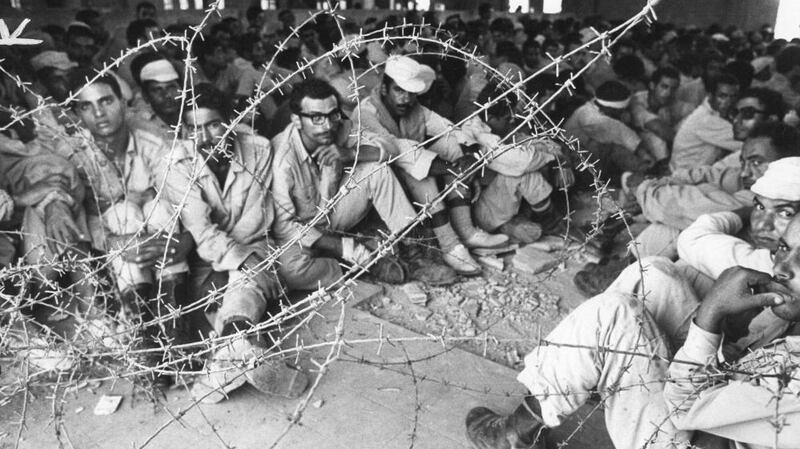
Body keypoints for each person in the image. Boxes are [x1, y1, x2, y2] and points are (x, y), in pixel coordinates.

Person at [464, 169, 800, 448]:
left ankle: (519, 430)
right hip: (705, 414)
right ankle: (578, 384)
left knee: (614, 314)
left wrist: (709, 318)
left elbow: (688, 407)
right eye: (785, 247)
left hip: (691, 427)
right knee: (655, 274)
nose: (782, 267)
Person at [155, 83, 309, 403]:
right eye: (195, 129)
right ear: (184, 131)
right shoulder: (176, 163)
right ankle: (236, 349)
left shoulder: (259, 149)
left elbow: (258, 218)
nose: (208, 137)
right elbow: (200, 230)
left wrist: (241, 259)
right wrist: (237, 257)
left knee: (246, 279)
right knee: (232, 289)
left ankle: (229, 352)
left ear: (229, 121)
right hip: (204, 254)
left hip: (254, 242)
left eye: (214, 124)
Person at [38, 71, 193, 386]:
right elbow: (79, 217)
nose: (98, 113)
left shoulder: (154, 141)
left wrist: (185, 240)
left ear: (124, 103)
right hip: (116, 249)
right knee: (122, 211)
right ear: (77, 114)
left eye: (106, 101)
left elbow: (186, 200)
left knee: (158, 207)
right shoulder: (73, 155)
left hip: (164, 236)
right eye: (86, 106)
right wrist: (117, 243)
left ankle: (172, 321)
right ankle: (144, 328)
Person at [271, 78, 456, 289]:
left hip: (333, 214)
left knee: (376, 170)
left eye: (333, 115)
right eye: (316, 118)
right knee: (291, 272)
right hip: (303, 232)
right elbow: (284, 227)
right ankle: (359, 263)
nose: (328, 125)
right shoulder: (282, 159)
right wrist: (343, 247)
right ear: (296, 120)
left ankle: (412, 253)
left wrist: (351, 153)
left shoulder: (340, 127)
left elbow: (389, 147)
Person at [359, 55, 510, 276]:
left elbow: (449, 128)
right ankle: (450, 246)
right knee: (421, 171)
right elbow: (397, 150)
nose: (406, 99)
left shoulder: (415, 108)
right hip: (382, 183)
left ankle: (466, 231)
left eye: (411, 93)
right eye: (399, 91)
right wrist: (451, 168)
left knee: (450, 143)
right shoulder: (366, 113)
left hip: (413, 168)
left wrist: (469, 154)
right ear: (384, 89)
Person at [461, 83, 574, 243]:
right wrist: (555, 158)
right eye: (508, 119)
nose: (511, 122)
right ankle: (553, 224)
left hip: (499, 202)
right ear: (491, 118)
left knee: (532, 154)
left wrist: (560, 159)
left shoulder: (495, 124)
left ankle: (535, 220)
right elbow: (524, 161)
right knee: (524, 173)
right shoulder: (478, 133)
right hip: (483, 212)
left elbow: (540, 143)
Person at [563, 80, 659, 184]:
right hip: (576, 165)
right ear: (612, 109)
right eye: (622, 109)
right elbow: (625, 135)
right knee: (614, 149)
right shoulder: (598, 120)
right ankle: (645, 172)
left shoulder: (590, 106)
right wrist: (645, 156)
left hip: (582, 156)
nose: (624, 111)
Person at [670, 73, 741, 171]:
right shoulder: (705, 119)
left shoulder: (715, 112)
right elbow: (743, 143)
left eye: (733, 97)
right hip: (685, 178)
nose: (729, 102)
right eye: (722, 96)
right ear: (710, 95)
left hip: (695, 173)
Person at [627, 67, 694, 161]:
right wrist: (690, 147)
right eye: (664, 87)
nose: (668, 93)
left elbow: (694, 112)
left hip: (671, 140)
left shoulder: (672, 101)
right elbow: (658, 128)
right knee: (656, 140)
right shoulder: (637, 101)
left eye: (673, 89)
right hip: (637, 144)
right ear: (652, 86)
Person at [128, 52, 181, 140]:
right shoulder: (143, 127)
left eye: (171, 87)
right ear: (145, 96)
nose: (167, 95)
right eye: (157, 90)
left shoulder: (193, 113)